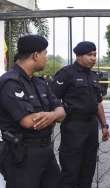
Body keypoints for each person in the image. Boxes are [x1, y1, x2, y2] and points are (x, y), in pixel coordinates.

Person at [0, 34, 66, 188]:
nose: (47, 58)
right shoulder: (10, 82)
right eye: (45, 54)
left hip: (46, 151)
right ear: (36, 55)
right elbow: (29, 121)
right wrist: (55, 114)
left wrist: (52, 114)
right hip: (22, 155)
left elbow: (62, 111)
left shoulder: (40, 82)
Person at [51, 41, 110, 188]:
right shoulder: (66, 73)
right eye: (89, 55)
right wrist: (59, 114)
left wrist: (104, 125)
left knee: (88, 169)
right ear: (78, 56)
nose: (93, 58)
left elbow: (98, 103)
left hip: (91, 126)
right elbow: (52, 98)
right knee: (71, 171)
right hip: (73, 126)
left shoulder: (94, 76)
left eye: (95, 54)